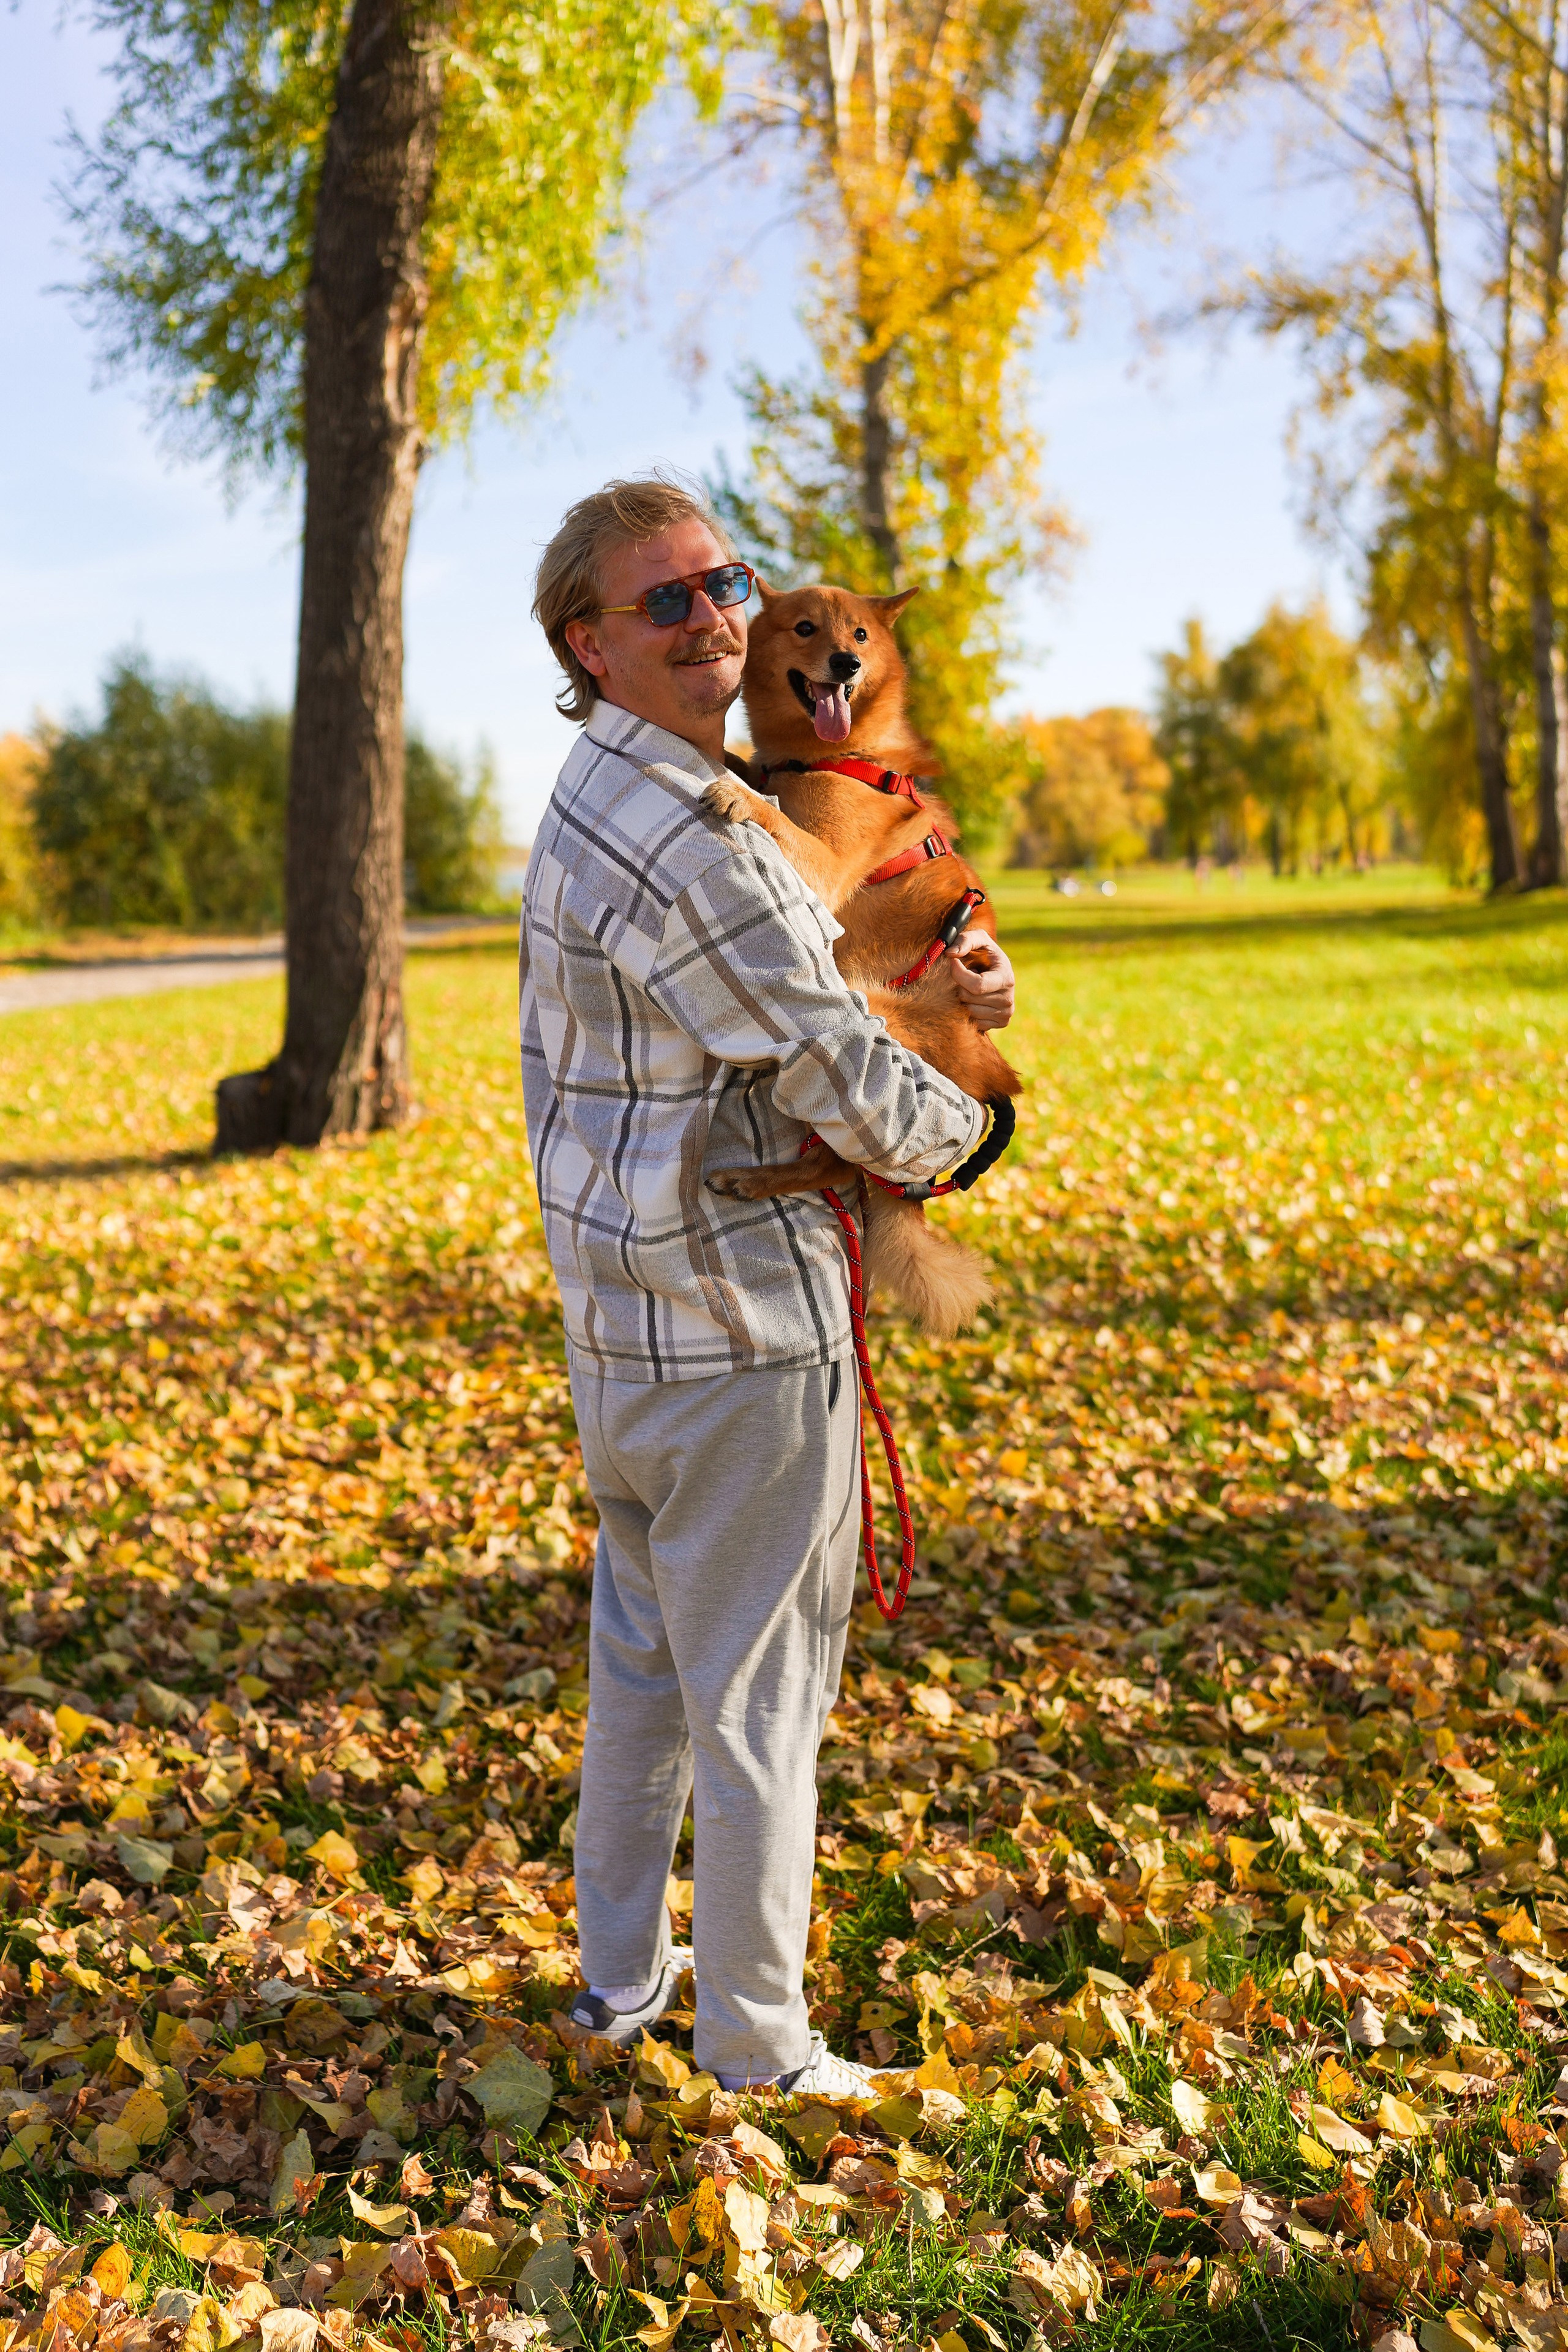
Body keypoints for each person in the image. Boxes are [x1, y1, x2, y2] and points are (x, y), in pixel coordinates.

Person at [521, 473, 1015, 2095]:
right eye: (665, 602)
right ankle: (756, 2046)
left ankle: (616, 1987)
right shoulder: (703, 843)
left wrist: (936, 969)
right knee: (760, 1706)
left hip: (623, 1332)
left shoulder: (600, 786)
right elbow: (840, 1077)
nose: (717, 616)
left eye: (726, 582)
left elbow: (781, 1005)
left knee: (647, 1679)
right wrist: (979, 1126)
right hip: (738, 1341)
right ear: (586, 640)